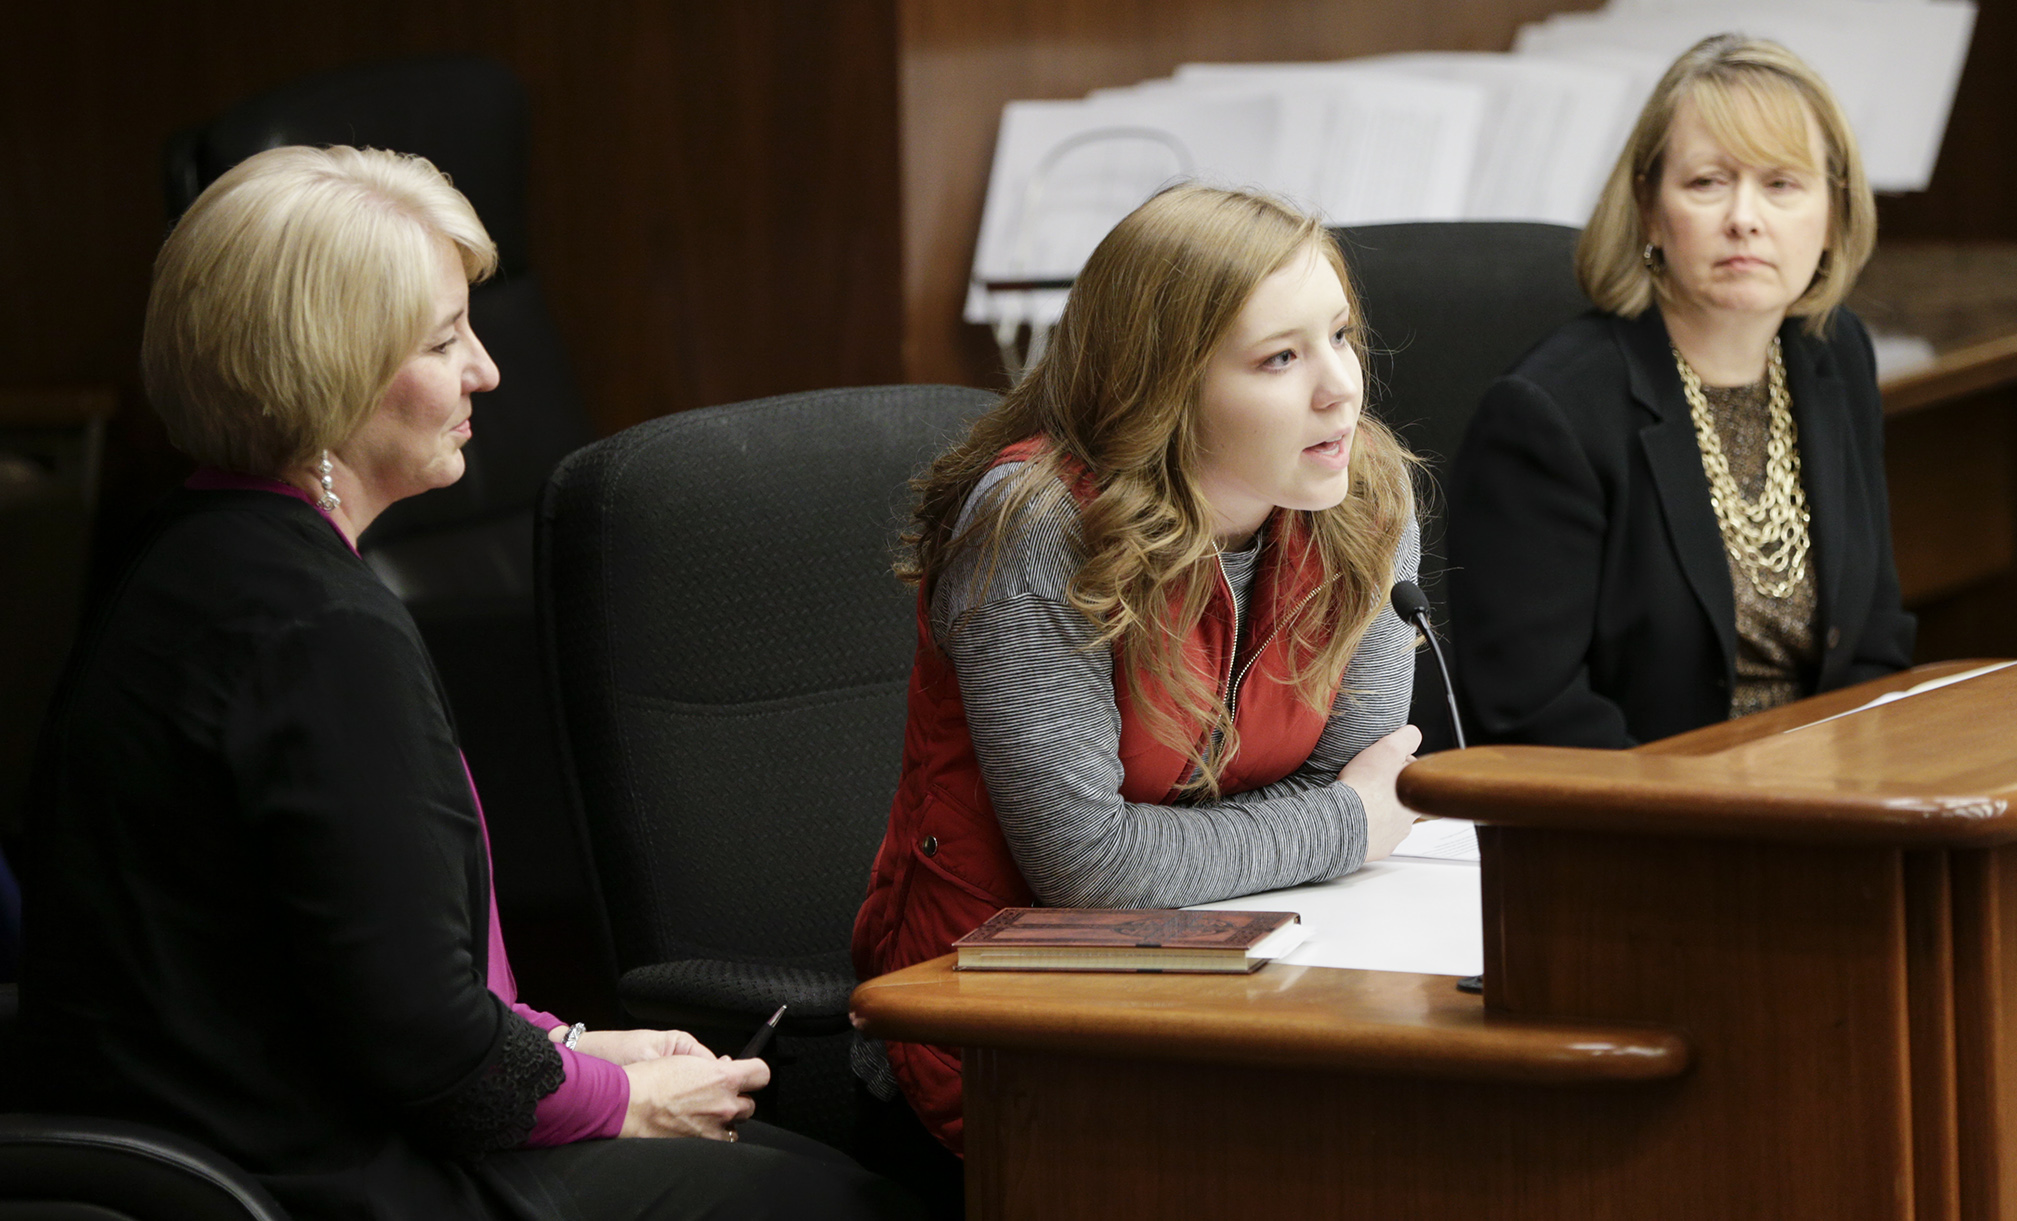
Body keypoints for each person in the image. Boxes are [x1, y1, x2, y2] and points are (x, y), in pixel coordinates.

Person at [20, 145, 914, 1221]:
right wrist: (625, 1095)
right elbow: (441, 1062)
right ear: (332, 370)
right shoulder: (319, 630)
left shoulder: (181, 556)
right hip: (318, 1179)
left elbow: (347, 979)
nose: (486, 371)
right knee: (841, 1198)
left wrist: (575, 1046)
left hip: (235, 1140)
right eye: (445, 341)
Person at [850, 185, 1426, 1186]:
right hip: (1010, 1024)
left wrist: (1329, 820)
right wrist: (1336, 826)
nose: (1341, 390)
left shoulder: (1360, 491)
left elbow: (1370, 774)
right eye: (1281, 359)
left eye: (1341, 336)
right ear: (1166, 388)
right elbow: (1095, 868)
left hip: (1253, 983)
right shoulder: (1038, 527)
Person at [1445, 34, 1915, 748]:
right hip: (1652, 820)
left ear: (1833, 215)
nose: (1746, 218)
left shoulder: (1831, 351)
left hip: (1830, 804)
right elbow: (1535, 714)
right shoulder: (1551, 415)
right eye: (1708, 183)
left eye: (1782, 184)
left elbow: (1875, 631)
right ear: (1649, 208)